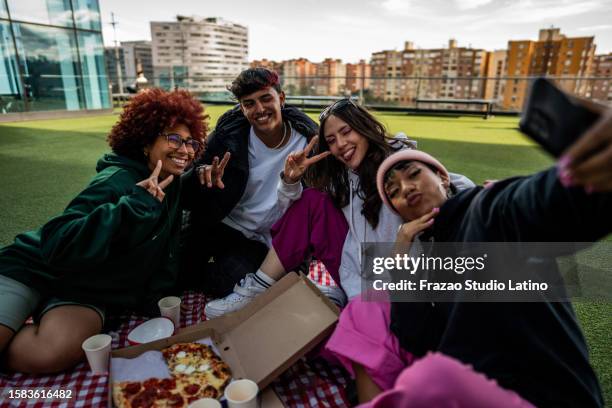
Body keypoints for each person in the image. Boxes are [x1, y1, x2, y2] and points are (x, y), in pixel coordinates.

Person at [330, 105, 612, 407]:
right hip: (481, 392)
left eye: (413, 174)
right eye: (394, 191)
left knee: (427, 381)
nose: (407, 188)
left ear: (443, 176)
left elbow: (549, 203)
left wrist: (584, 172)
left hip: (545, 395)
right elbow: (417, 337)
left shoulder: (486, 209)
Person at [204, 99, 474, 318]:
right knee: (310, 200)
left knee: (332, 347)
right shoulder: (345, 174)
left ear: (364, 127)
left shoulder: (398, 164)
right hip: (354, 265)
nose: (340, 145)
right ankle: (261, 286)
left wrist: (479, 197)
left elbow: (444, 182)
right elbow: (288, 215)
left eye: (346, 132)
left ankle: (344, 297)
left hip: (394, 275)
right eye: (331, 140)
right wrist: (290, 180)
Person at [0, 88, 207, 374]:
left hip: (87, 288)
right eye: (173, 138)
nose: (185, 150)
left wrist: (153, 299)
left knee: (49, 355)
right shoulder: (116, 180)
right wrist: (130, 208)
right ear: (146, 142)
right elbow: (57, 242)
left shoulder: (172, 183)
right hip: (35, 268)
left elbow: (166, 248)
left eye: (191, 143)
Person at [181, 67, 329, 298]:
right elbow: (186, 190)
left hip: (272, 238)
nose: (259, 110)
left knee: (245, 285)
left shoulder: (309, 141)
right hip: (229, 227)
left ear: (281, 98)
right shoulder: (227, 136)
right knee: (195, 276)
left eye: (266, 98)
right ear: (242, 108)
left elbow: (315, 203)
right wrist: (201, 174)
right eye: (249, 103)